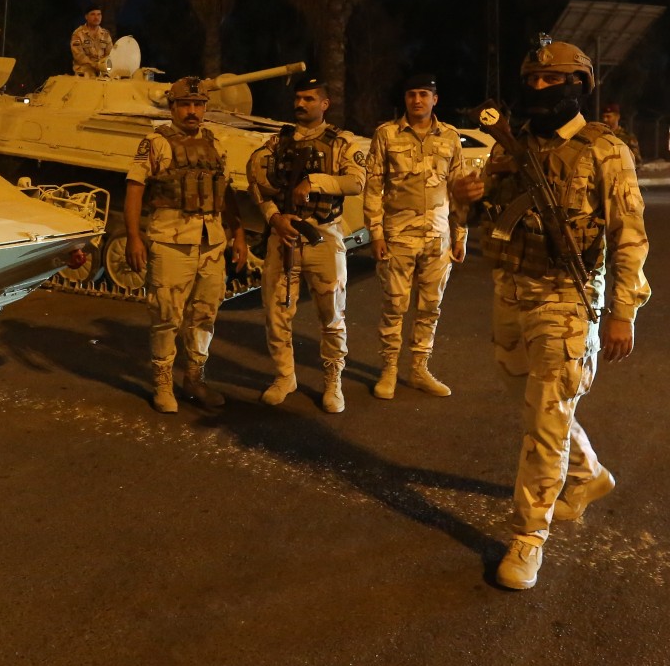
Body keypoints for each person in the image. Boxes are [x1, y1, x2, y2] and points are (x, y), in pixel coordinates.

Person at [455, 38, 650, 592]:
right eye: (534, 80)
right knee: (537, 400)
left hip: (567, 295)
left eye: (552, 81)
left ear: (579, 86)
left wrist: (621, 312)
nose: (539, 89)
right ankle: (588, 474)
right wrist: (462, 190)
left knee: (544, 415)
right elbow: (479, 199)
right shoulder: (510, 145)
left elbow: (629, 236)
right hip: (511, 289)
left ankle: (528, 536)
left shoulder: (604, 150)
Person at [125, 76, 248, 413]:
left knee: (205, 313)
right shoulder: (155, 143)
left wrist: (238, 234)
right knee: (166, 314)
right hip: (171, 241)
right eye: (185, 105)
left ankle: (194, 378)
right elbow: (135, 188)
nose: (192, 111)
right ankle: (163, 383)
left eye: (198, 105)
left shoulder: (216, 144)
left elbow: (227, 192)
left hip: (210, 243)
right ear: (173, 107)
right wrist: (134, 236)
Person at [247, 79, 367, 412]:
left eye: (309, 98)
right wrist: (273, 217)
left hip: (323, 236)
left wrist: (314, 181)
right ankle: (285, 376)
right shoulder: (277, 141)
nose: (301, 104)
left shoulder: (342, 142)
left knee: (331, 313)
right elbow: (254, 179)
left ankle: (333, 382)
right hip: (283, 236)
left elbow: (356, 182)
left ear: (324, 104)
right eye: (298, 98)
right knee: (276, 311)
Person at [363, 73, 471, 401]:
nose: (417, 100)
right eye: (412, 94)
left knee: (431, 307)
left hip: (438, 237)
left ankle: (420, 368)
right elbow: (374, 187)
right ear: (406, 99)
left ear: (434, 99)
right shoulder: (386, 134)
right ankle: (390, 369)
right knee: (394, 306)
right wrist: (376, 234)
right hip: (397, 236)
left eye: (424, 94)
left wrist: (460, 235)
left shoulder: (450, 137)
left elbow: (460, 190)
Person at [70, 8, 113, 77]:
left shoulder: (105, 34)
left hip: (102, 68)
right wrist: (94, 64)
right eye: (93, 14)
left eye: (99, 14)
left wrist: (104, 65)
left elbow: (110, 54)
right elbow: (78, 56)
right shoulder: (78, 33)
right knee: (89, 75)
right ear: (86, 17)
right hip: (85, 68)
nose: (96, 17)